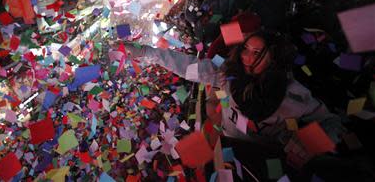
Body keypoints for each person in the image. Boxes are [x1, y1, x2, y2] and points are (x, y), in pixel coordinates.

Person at [114, 30, 347, 178]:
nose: (247, 57)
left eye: (257, 52)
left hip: (267, 164)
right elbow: (186, 66)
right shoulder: (226, 75)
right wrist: (144, 51)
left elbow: (332, 122)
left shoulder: (293, 95)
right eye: (245, 49)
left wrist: (309, 143)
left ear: (273, 57)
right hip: (229, 157)